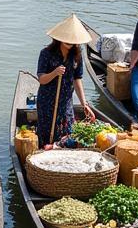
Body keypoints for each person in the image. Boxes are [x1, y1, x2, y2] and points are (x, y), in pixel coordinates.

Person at [35, 15, 96, 144]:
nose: (70, 43)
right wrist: (54, 73)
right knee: (47, 135)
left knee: (66, 133)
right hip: (47, 100)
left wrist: (84, 103)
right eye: (67, 40)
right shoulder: (46, 53)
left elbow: (77, 79)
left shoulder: (77, 56)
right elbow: (41, 79)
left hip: (66, 101)